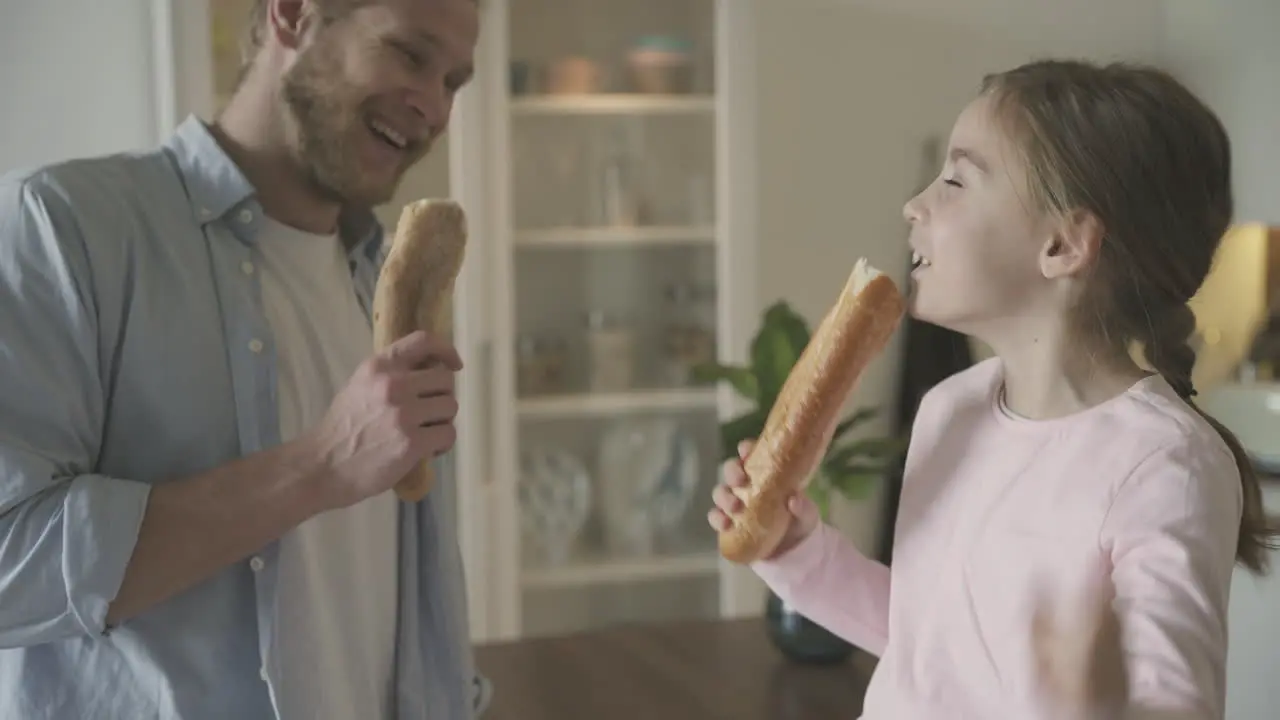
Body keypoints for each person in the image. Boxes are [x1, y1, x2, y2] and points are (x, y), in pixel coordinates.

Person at [708, 59, 1278, 719]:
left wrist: (1089, 701)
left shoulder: (1165, 464)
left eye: (955, 179)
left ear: (1063, 245)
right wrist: (794, 551)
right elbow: (931, 648)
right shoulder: (952, 408)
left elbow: (1174, 707)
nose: (913, 205)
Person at [0, 1, 487, 718]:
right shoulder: (61, 226)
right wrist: (322, 466)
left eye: (454, 80)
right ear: (293, 16)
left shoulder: (383, 274)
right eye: (410, 55)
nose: (434, 107)